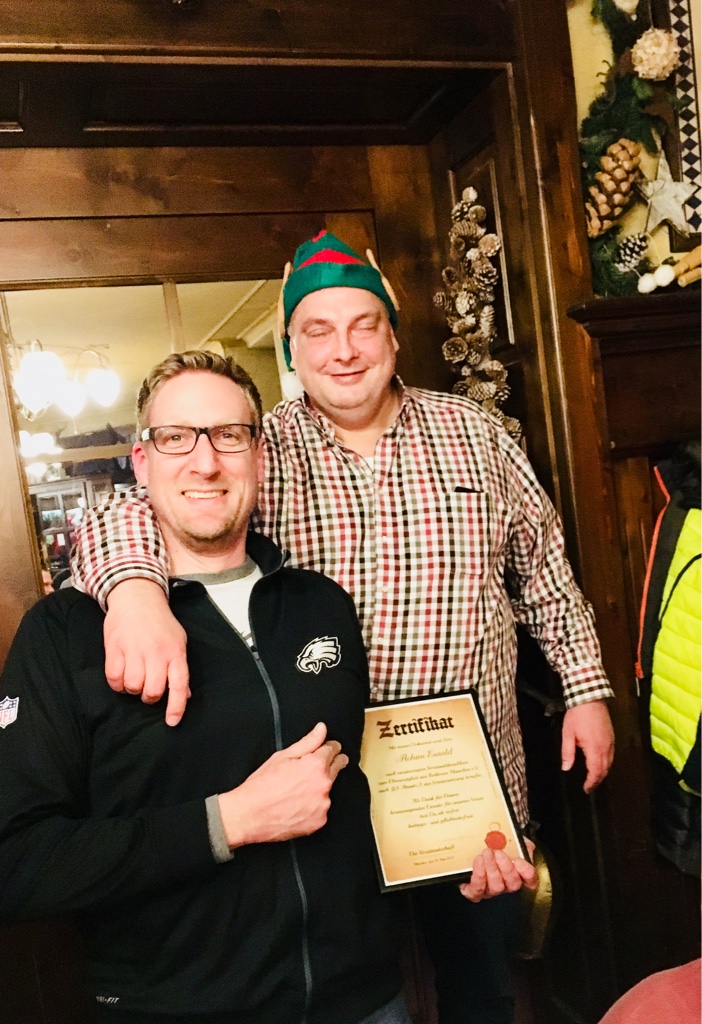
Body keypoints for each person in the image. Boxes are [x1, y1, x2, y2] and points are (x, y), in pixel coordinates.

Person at [71, 232, 614, 1024]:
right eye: (317, 331)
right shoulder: (256, 447)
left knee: (482, 990)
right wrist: (132, 592)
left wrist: (586, 691)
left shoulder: (476, 433)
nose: (345, 350)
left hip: (467, 789)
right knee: (358, 995)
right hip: (327, 800)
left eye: (364, 325)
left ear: (392, 336)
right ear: (291, 348)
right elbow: (128, 508)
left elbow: (545, 574)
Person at [0, 353, 420, 1024]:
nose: (205, 462)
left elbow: (362, 785)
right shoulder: (66, 633)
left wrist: (458, 848)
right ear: (141, 462)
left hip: (364, 1000)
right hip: (178, 1009)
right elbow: (18, 864)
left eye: (229, 435)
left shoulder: (320, 603)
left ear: (259, 456)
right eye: (176, 437)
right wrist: (229, 822)